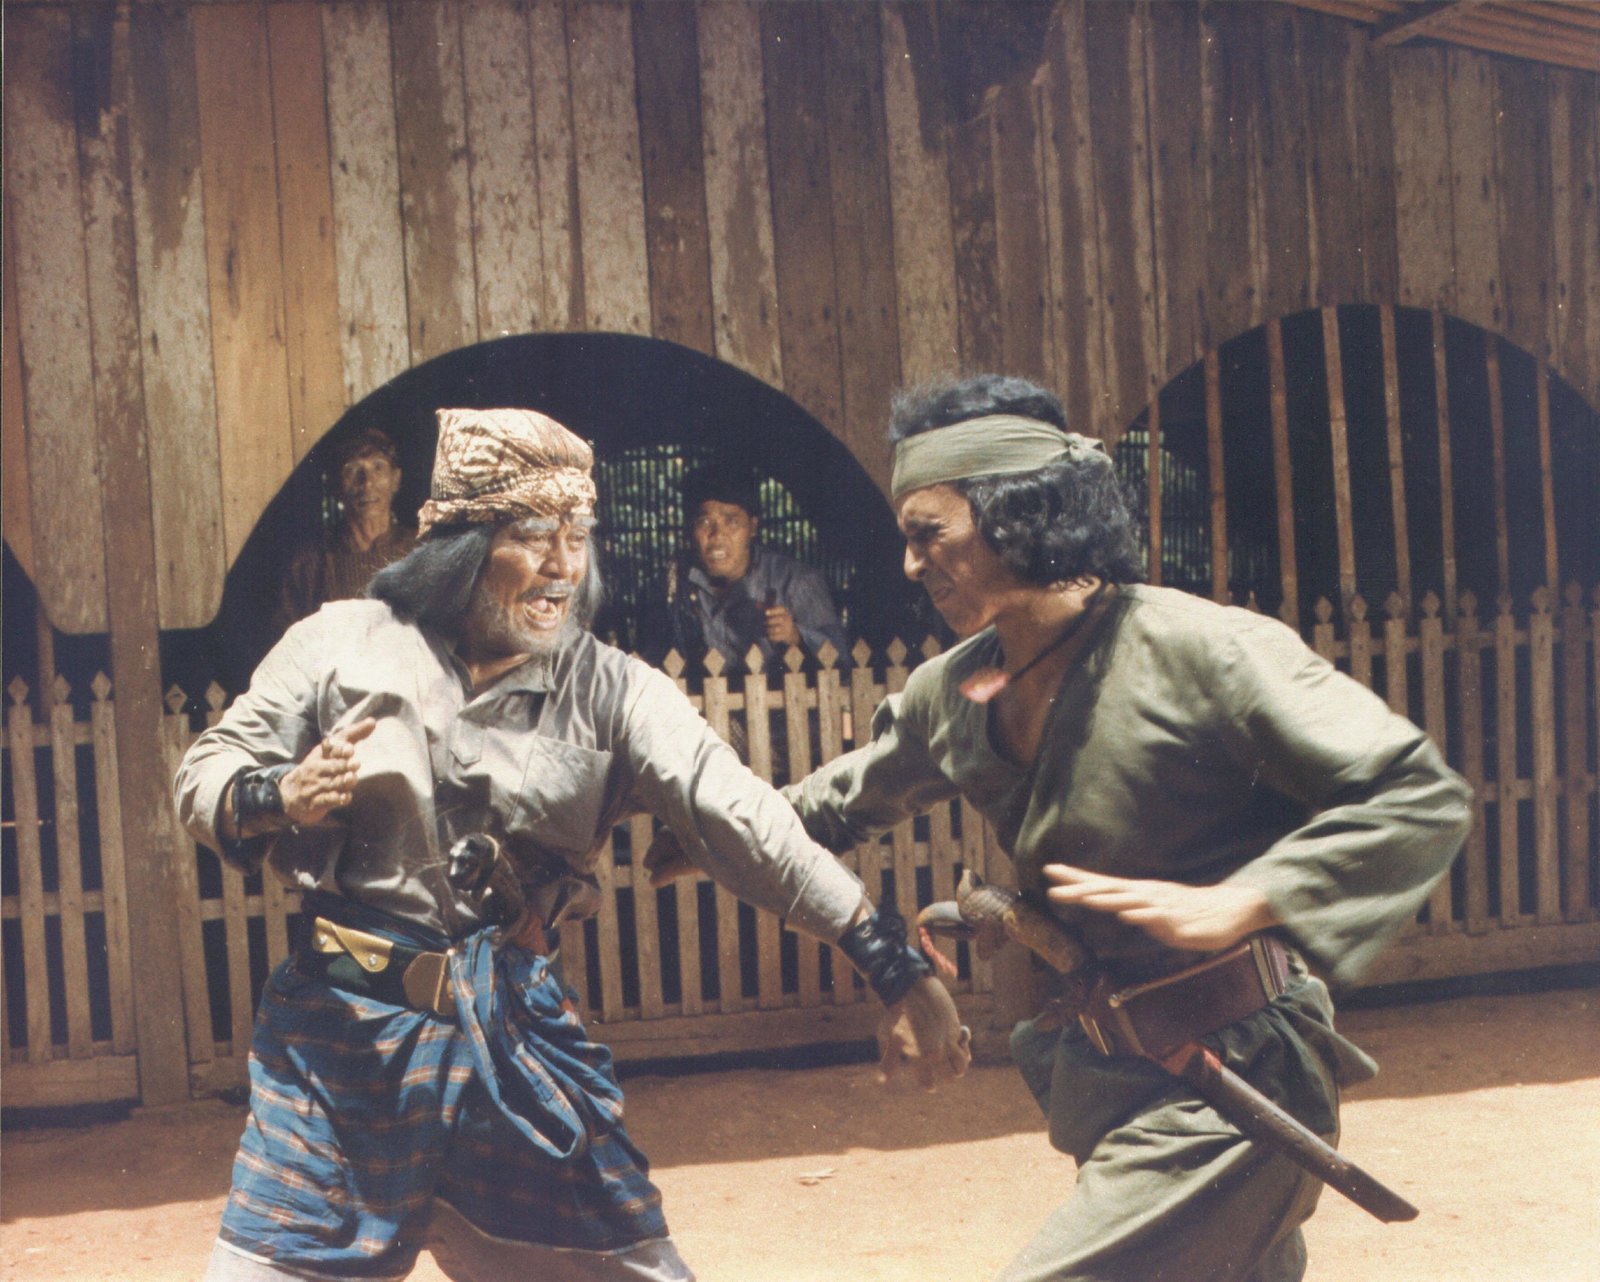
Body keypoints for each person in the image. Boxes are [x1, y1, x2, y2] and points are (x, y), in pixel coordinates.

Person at [174, 406, 968, 1282]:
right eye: (531, 535)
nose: (563, 566)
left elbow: (747, 820)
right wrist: (276, 794)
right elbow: (206, 770)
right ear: (462, 546)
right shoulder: (337, 644)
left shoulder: (614, 691)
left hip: (515, 1047)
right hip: (341, 1047)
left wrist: (891, 963)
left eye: (577, 536)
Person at [774, 374, 1472, 1280]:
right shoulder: (958, 691)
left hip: (1237, 1082)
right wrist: (688, 812)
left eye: (928, 533)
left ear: (1015, 512)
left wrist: (1251, 900)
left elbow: (1414, 792)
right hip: (1109, 1081)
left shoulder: (1199, 651)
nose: (911, 565)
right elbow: (837, 800)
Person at [646, 464, 849, 673]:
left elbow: (843, 660)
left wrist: (795, 636)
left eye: (731, 522)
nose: (717, 535)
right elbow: (648, 662)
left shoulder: (795, 581)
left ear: (752, 527)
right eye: (704, 522)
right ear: (691, 529)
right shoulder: (674, 586)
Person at [275, 425, 418, 630]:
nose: (367, 483)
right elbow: (290, 639)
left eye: (378, 468)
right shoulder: (311, 564)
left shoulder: (420, 551)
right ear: (335, 486)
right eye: (352, 470)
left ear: (396, 480)